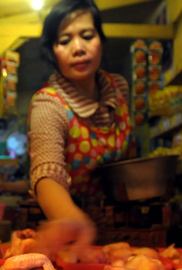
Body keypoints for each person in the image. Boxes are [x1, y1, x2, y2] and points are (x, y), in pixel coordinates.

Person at [28, 0, 134, 256]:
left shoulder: (119, 88)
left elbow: (127, 157)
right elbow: (46, 172)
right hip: (65, 236)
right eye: (64, 41)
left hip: (117, 227)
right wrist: (71, 220)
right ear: (52, 52)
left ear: (100, 39)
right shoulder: (48, 104)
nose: (78, 48)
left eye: (87, 36)